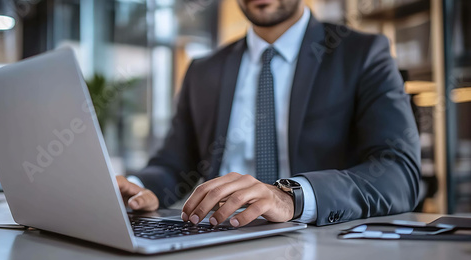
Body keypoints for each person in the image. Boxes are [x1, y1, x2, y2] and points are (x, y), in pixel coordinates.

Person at [116, 0, 421, 227]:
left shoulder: (362, 54)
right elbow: (174, 164)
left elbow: (398, 173)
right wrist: (138, 188)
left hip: (315, 240)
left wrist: (291, 197)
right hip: (212, 235)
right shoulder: (203, 71)